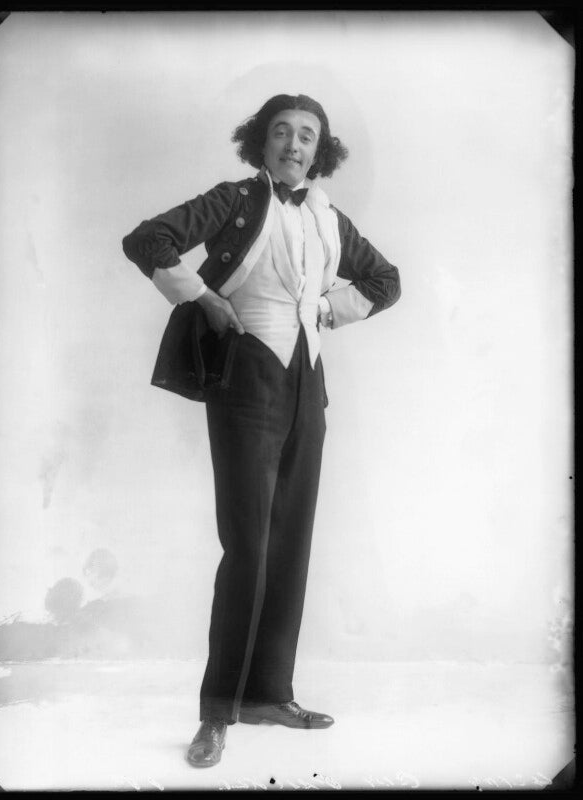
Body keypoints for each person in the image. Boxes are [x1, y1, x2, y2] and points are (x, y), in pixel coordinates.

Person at [122, 93, 401, 768]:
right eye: (282, 132)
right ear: (262, 141)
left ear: (319, 150)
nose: (293, 144)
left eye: (306, 135)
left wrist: (331, 308)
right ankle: (217, 713)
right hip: (246, 378)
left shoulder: (328, 216)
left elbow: (385, 280)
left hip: (308, 384)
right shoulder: (235, 199)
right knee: (247, 546)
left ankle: (268, 695)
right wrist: (202, 296)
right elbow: (147, 239)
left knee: (289, 543)